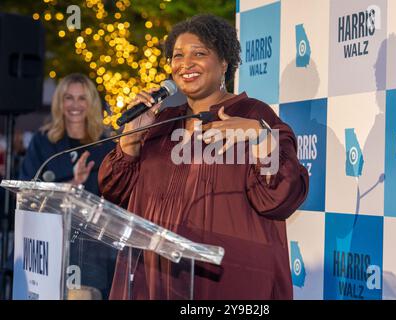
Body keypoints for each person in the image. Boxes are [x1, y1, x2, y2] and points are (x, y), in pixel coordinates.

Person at [98, 14, 309, 300]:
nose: (185, 64)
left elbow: (280, 197)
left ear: (224, 63)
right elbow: (115, 192)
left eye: (199, 53)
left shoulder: (252, 115)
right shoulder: (161, 123)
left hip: (228, 281)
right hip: (157, 279)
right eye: (178, 55)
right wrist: (132, 135)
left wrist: (261, 139)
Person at [19, 73, 116, 299]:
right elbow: (27, 194)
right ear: (59, 102)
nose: (75, 105)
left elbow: (116, 197)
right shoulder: (43, 142)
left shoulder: (106, 145)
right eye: (68, 98)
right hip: (47, 246)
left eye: (82, 98)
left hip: (92, 252)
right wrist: (72, 184)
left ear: (91, 103)